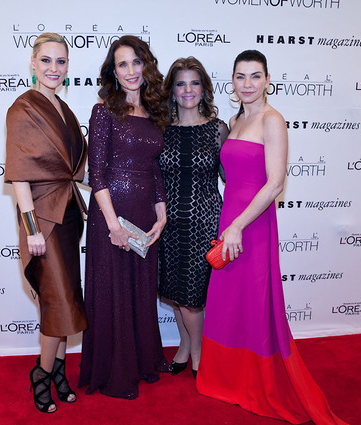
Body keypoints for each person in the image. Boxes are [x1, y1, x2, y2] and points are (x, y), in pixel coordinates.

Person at [196, 50, 348, 424]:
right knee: (230, 301)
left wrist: (238, 226)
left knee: (254, 299)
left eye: (255, 76)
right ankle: (226, 378)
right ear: (232, 82)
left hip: (253, 223)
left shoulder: (272, 120)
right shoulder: (233, 119)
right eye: (240, 77)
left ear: (267, 80)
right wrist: (228, 224)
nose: (247, 84)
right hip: (230, 220)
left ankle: (257, 380)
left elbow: (275, 182)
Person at [78, 35, 171, 400]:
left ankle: (142, 361)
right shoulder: (104, 111)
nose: (131, 71)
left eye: (136, 62)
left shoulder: (155, 111)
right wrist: (113, 225)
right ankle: (115, 372)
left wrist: (161, 213)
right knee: (113, 290)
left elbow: (155, 170)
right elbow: (96, 174)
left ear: (146, 65)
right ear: (113, 72)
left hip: (144, 216)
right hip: (111, 218)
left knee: (139, 290)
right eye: (122, 64)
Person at [4, 32, 87, 414]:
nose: (54, 68)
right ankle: (42, 372)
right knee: (58, 303)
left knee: (63, 300)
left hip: (69, 216)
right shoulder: (21, 109)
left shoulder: (65, 111)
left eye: (61, 61)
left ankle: (56, 370)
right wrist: (31, 227)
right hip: (42, 221)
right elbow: (19, 175)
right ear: (33, 64)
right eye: (47, 60)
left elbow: (74, 172)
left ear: (68, 67)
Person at [158, 57, 228, 379]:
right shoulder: (162, 130)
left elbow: (232, 175)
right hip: (169, 224)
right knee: (176, 294)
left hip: (204, 222)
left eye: (194, 83)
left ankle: (198, 354)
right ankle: (184, 347)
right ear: (172, 90)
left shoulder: (218, 129)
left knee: (192, 298)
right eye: (181, 83)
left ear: (204, 88)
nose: (188, 90)